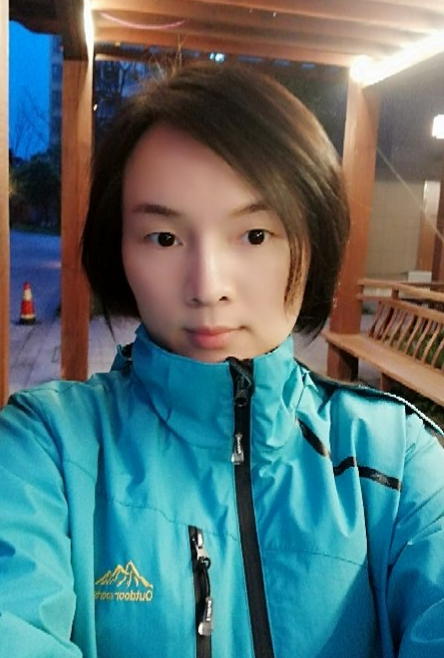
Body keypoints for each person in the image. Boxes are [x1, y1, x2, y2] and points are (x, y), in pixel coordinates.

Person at [0, 62, 443, 658]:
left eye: (255, 235)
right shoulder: (48, 449)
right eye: (164, 238)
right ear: (119, 249)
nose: (207, 287)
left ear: (313, 240)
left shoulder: (396, 461)